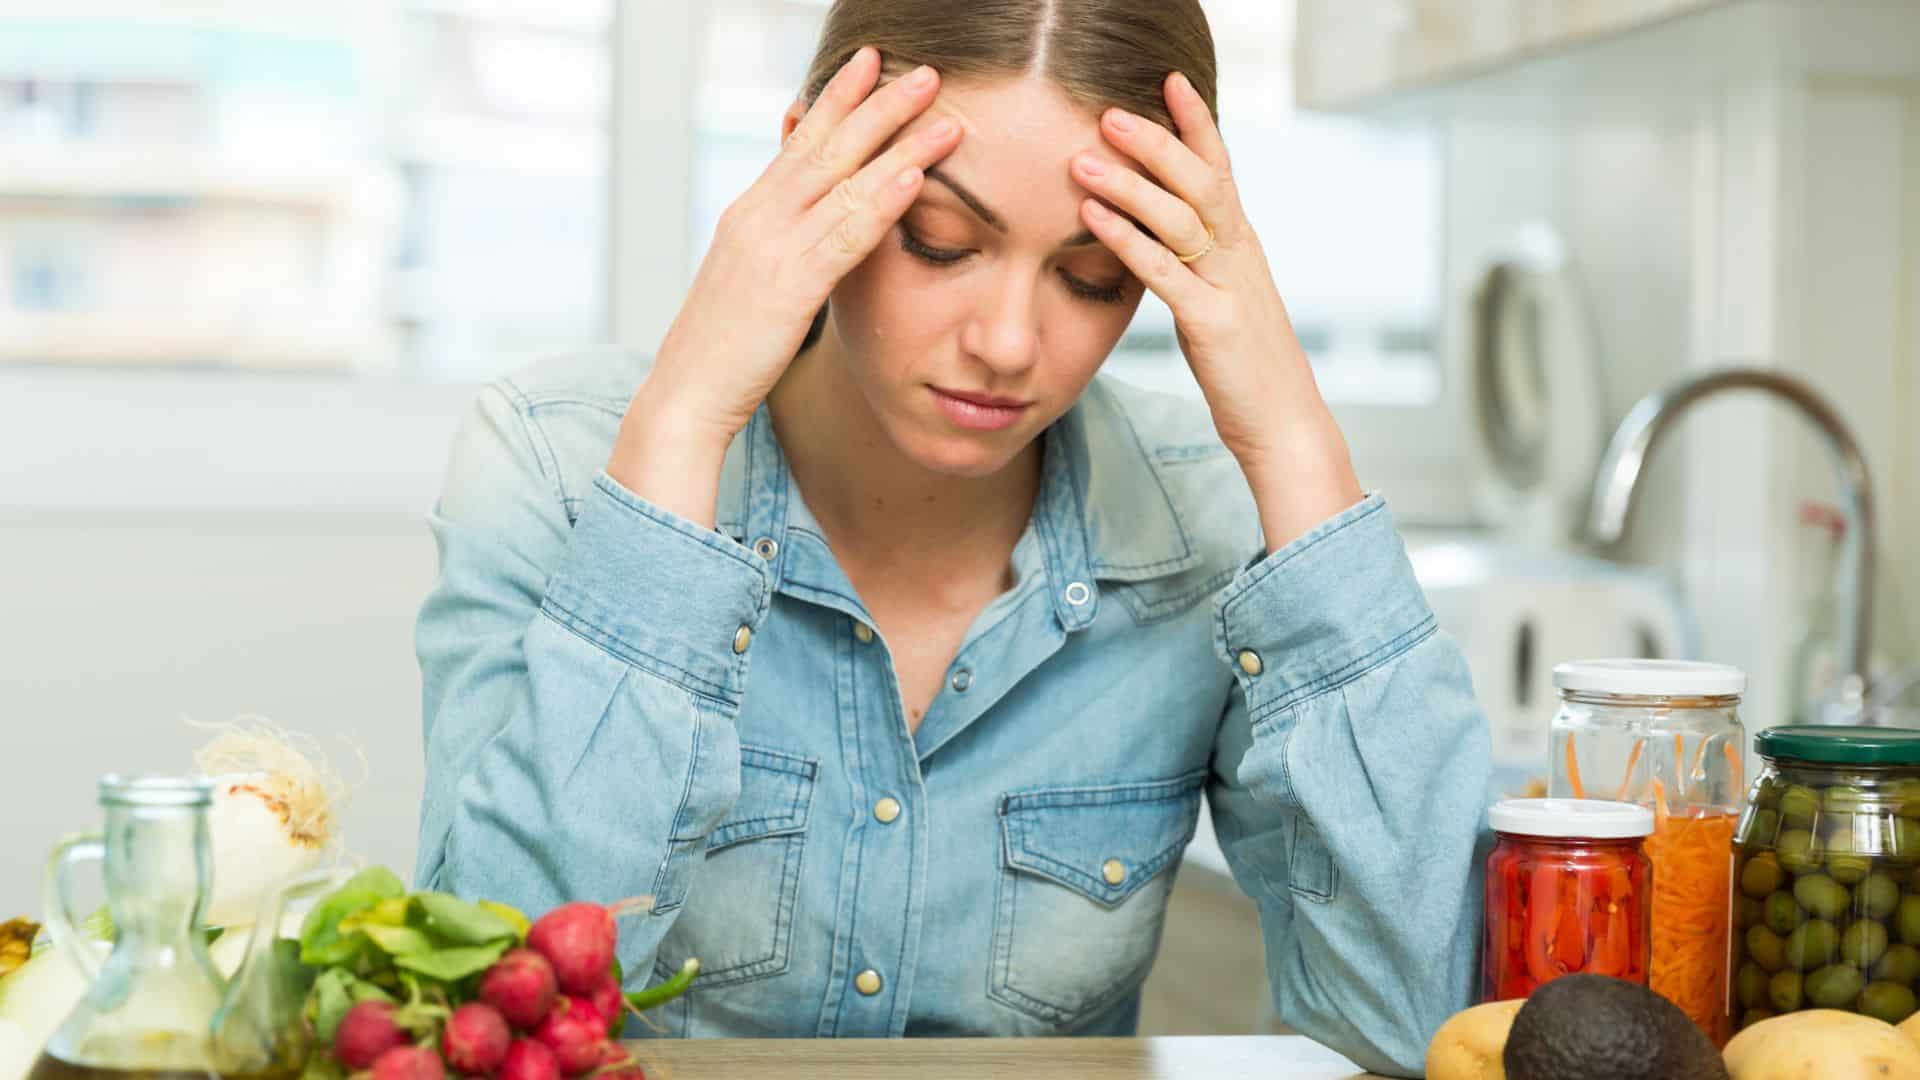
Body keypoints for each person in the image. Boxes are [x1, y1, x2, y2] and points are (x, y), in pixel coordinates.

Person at [413, 2, 1491, 1074]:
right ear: (809, 181)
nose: (1009, 343)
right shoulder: (556, 473)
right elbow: (482, 1023)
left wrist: (1292, 437)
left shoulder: (1206, 526)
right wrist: (687, 417)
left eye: (1093, 277)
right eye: (939, 243)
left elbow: (1418, 1031)